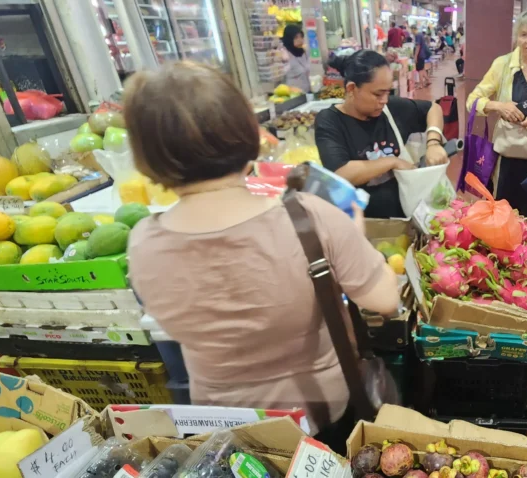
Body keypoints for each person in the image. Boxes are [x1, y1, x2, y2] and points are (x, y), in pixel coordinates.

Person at [122, 62, 401, 444]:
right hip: (317, 413)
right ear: (246, 132)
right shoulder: (309, 217)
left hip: (221, 426)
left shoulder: (142, 242)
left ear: (146, 155)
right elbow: (386, 300)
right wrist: (355, 236)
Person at [314, 50, 449, 219]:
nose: (384, 100)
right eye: (378, 94)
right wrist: (392, 162)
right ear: (351, 89)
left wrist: (433, 143)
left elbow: (432, 108)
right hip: (366, 225)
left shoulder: (390, 109)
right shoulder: (330, 121)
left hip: (406, 216)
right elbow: (341, 173)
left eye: (388, 92)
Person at [466, 9, 527, 230]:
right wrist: (498, 106)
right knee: (504, 216)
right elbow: (472, 101)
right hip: (508, 155)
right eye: (523, 34)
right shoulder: (502, 64)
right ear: (516, 37)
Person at [281, 24, 310, 93]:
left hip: (306, 92)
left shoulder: (304, 52)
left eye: (301, 37)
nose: (300, 40)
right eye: (296, 37)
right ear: (289, 39)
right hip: (293, 95)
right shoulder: (284, 55)